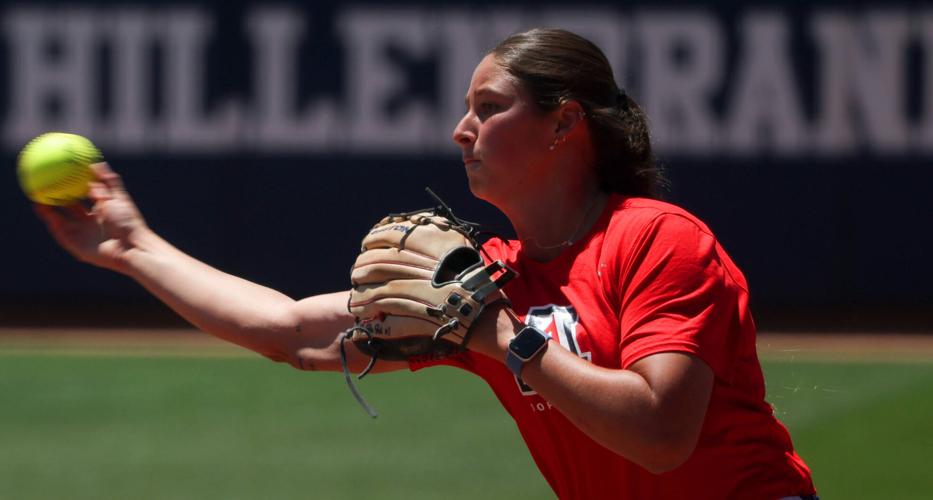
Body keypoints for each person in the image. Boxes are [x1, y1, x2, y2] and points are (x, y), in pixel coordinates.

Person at [35, 28, 816, 500]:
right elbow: (291, 332)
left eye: (488, 106)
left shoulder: (655, 240)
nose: (459, 129)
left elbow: (660, 435)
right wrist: (131, 246)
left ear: (563, 123)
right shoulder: (487, 280)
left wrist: (502, 337)